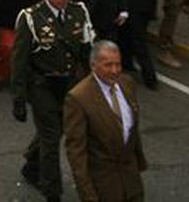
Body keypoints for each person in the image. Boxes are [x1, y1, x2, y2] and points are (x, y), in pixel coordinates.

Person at [12, 0, 95, 202]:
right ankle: (52, 191)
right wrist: (18, 97)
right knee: (51, 138)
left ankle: (31, 161)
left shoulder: (79, 12)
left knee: (57, 129)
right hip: (42, 84)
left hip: (70, 83)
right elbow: (19, 60)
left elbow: (87, 50)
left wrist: (94, 83)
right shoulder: (30, 17)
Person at [63, 40, 147, 202]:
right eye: (108, 65)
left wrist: (138, 164)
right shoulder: (78, 98)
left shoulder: (127, 83)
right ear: (93, 65)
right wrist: (87, 194)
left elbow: (132, 130)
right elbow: (76, 153)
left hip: (131, 179)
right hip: (103, 184)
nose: (115, 71)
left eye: (118, 64)